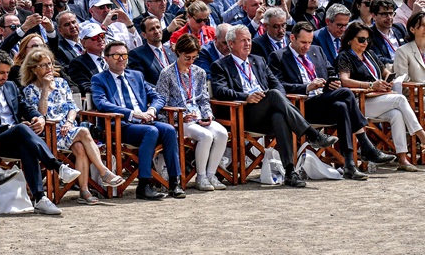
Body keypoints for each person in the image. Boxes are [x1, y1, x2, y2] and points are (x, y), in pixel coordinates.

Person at [211, 25, 338, 188]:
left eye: (249, 39)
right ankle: (311, 134)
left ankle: (290, 171)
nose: (248, 43)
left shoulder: (258, 60)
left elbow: (277, 84)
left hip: (268, 111)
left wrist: (274, 96)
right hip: (244, 113)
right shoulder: (220, 65)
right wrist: (246, 97)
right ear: (231, 43)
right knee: (273, 95)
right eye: (243, 40)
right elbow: (220, 91)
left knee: (278, 115)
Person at [270, 21, 394, 177]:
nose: (307, 46)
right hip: (301, 106)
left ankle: (349, 164)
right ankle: (366, 146)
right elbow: (278, 86)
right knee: (346, 94)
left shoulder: (317, 51)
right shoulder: (278, 56)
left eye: (309, 42)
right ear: (292, 38)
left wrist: (333, 81)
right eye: (303, 42)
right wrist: (307, 87)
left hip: (323, 99)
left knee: (342, 106)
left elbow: (331, 71)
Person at [0, 50, 81, 216]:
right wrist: (12, 128)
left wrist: (38, 118)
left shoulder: (11, 86)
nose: (5, 76)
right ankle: (57, 166)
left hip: (18, 136)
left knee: (27, 144)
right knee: (21, 130)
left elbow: (25, 107)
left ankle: (40, 198)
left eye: (7, 72)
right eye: (1, 72)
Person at [21, 48, 124, 204]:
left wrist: (69, 122)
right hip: (49, 132)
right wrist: (45, 90)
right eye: (43, 65)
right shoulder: (29, 90)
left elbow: (72, 108)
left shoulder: (62, 83)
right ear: (34, 69)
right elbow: (40, 114)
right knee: (83, 131)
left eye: (50, 64)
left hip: (68, 129)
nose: (49, 68)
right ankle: (104, 172)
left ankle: (84, 191)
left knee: (80, 147)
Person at [91, 40, 183, 200]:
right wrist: (133, 114)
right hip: (120, 125)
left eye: (124, 55)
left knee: (168, 129)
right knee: (151, 131)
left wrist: (152, 109)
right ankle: (143, 185)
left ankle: (174, 182)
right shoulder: (99, 79)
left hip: (145, 120)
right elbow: (102, 103)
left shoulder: (136, 76)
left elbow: (158, 96)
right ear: (106, 58)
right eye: (116, 55)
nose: (121, 58)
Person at [335, 21, 425, 170]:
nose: (365, 43)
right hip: (359, 102)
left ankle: (402, 158)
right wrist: (370, 85)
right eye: (361, 39)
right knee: (400, 99)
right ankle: (421, 135)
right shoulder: (345, 56)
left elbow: (386, 73)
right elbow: (344, 80)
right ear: (350, 39)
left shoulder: (369, 55)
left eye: (368, 40)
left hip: (377, 98)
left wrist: (389, 81)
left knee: (396, 114)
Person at [156, 34, 229, 191]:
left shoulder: (199, 72)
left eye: (194, 58)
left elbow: (203, 99)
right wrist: (179, 116)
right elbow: (161, 104)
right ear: (178, 53)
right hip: (179, 120)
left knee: (222, 133)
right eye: (187, 57)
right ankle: (201, 177)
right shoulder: (166, 73)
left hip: (197, 116)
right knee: (206, 136)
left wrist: (208, 114)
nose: (190, 62)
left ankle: (211, 174)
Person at [394, 11, 425, 81]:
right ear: (412, 29)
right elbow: (403, 83)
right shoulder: (402, 52)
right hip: (416, 91)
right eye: (423, 25)